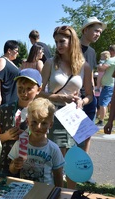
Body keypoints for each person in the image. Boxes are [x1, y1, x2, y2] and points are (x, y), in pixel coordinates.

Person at [39, 26, 93, 189]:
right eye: (56, 42)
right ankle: (58, 192)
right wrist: (61, 97)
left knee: (75, 160)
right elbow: (39, 93)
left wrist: (81, 102)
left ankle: (70, 193)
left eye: (62, 41)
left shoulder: (85, 66)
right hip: (57, 115)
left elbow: (89, 95)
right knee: (60, 161)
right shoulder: (50, 63)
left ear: (72, 41)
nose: (58, 45)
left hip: (77, 117)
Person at [0, 68, 42, 176]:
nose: (24, 93)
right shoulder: (5, 109)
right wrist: (6, 136)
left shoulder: (40, 113)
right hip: (6, 164)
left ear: (39, 89)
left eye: (29, 89)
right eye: (20, 88)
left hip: (31, 166)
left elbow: (44, 141)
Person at [8, 97, 64, 187]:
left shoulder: (53, 149)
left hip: (45, 191)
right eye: (34, 122)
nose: (38, 127)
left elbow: (58, 175)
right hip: (24, 189)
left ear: (51, 124)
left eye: (44, 123)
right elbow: (12, 170)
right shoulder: (20, 144)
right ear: (27, 121)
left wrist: (59, 193)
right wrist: (15, 165)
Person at [79, 17, 107, 158]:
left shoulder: (92, 52)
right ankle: (66, 169)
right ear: (85, 30)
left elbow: (90, 75)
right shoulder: (72, 48)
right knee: (73, 136)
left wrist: (94, 95)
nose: (98, 34)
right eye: (96, 31)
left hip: (89, 98)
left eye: (100, 32)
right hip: (75, 98)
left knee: (87, 134)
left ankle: (83, 165)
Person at [0, 40, 20, 110]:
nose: (17, 53)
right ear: (9, 50)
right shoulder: (1, 60)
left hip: (13, 96)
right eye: (16, 51)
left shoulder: (10, 62)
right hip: (6, 97)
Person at [96, 45, 115, 126]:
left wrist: (99, 65)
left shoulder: (111, 60)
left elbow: (100, 69)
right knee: (106, 103)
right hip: (110, 85)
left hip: (108, 85)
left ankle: (101, 121)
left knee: (103, 103)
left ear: (111, 51)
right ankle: (100, 118)